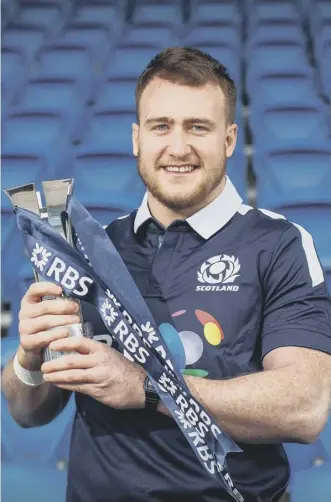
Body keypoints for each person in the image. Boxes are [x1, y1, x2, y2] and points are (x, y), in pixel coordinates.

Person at [2, 47, 331, 502]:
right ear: (137, 138)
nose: (178, 147)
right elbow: (27, 412)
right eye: (161, 127)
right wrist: (29, 358)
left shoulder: (280, 245)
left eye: (199, 127)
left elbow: (305, 406)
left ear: (230, 140)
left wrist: (146, 388)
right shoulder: (90, 250)